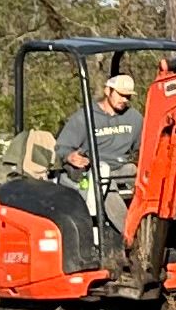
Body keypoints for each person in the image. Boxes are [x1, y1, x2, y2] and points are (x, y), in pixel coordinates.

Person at [52, 70, 144, 213]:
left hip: (122, 170)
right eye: (121, 94)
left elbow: (143, 148)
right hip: (94, 171)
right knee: (105, 184)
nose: (125, 99)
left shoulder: (134, 118)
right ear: (108, 91)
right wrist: (70, 156)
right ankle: (128, 232)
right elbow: (62, 147)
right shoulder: (85, 116)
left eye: (128, 96)